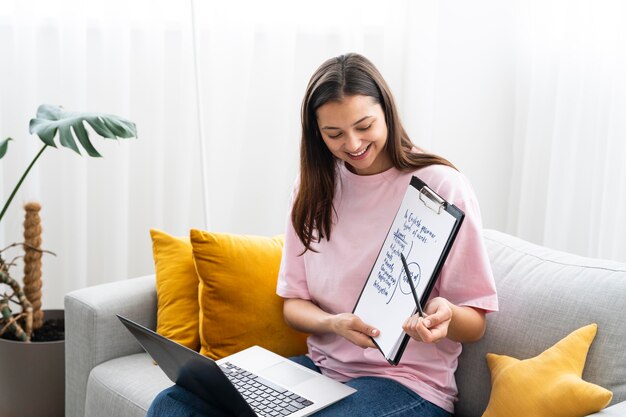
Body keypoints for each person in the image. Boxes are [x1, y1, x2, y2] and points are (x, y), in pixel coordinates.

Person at [147, 53, 498, 417]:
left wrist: (446, 316)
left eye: (364, 126)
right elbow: (293, 306)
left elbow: (474, 323)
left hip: (408, 384)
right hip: (323, 373)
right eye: (335, 134)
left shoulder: (441, 187)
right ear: (318, 133)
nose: (353, 143)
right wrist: (333, 324)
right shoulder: (314, 186)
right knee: (173, 402)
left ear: (388, 114)